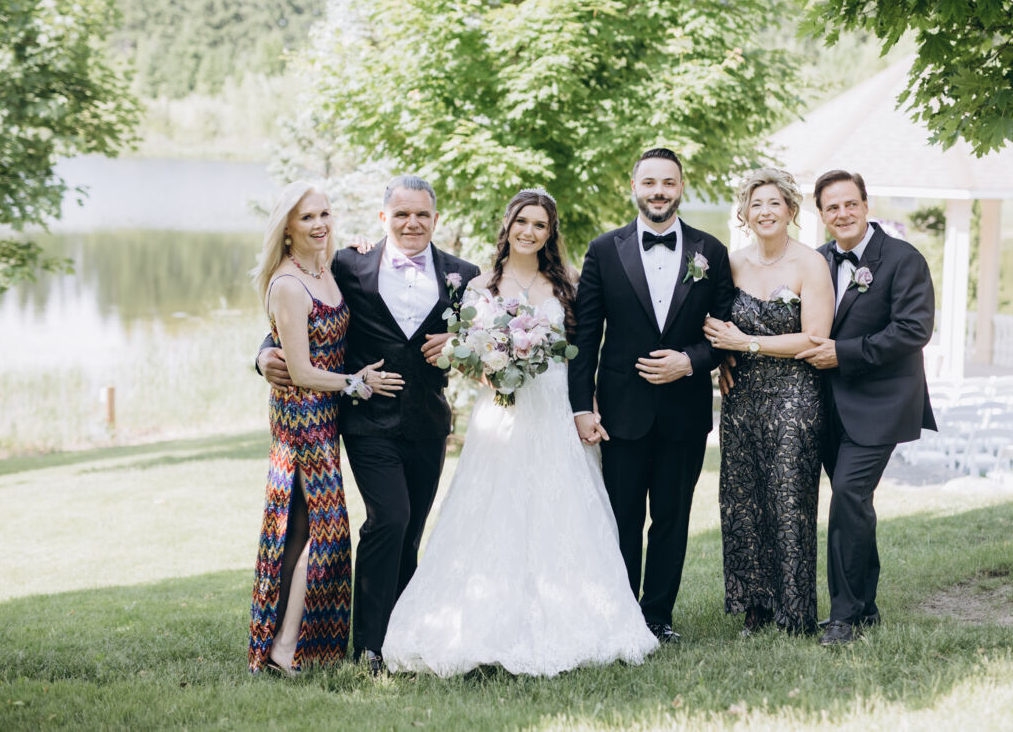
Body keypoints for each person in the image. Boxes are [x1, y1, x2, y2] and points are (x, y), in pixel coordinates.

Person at [381, 189, 658, 676]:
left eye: (540, 225)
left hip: (554, 409)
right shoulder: (480, 286)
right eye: (522, 222)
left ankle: (576, 616)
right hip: (502, 413)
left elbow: (582, 353)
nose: (529, 232)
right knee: (494, 510)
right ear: (507, 226)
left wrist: (585, 406)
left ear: (550, 234)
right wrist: (493, 363)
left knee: (562, 509)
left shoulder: (568, 285)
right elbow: (467, 359)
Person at [257, 175, 480, 675]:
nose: (412, 223)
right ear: (384, 218)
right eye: (401, 214)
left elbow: (482, 344)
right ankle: (369, 647)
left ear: (436, 219)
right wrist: (263, 355)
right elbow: (294, 316)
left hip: (428, 423)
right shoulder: (349, 264)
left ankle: (402, 638)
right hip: (367, 424)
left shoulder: (464, 276)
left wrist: (459, 346)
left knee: (410, 533)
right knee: (389, 520)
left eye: (421, 214)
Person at [570, 148, 734, 644]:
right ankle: (621, 616)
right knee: (621, 518)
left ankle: (658, 616)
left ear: (680, 187)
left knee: (672, 517)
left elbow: (726, 332)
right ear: (634, 187)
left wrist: (690, 360)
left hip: (685, 409)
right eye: (649, 182)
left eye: (668, 182)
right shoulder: (604, 249)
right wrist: (580, 406)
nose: (658, 191)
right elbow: (585, 336)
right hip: (621, 410)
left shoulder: (711, 251)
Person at [247, 182, 401, 675]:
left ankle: (287, 644)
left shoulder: (328, 268)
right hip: (300, 420)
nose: (319, 224)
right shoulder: (289, 285)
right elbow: (300, 371)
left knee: (303, 528)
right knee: (323, 530)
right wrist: (358, 383)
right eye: (307, 217)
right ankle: (284, 645)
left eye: (324, 214)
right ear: (286, 229)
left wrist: (360, 249)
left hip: (325, 419)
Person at [796, 169, 937, 646]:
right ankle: (866, 606)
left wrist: (845, 353)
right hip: (826, 406)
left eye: (850, 204)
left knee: (848, 497)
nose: (843, 214)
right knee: (855, 506)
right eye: (832, 207)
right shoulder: (816, 260)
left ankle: (845, 616)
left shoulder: (902, 259)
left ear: (866, 205)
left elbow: (913, 329)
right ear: (821, 214)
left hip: (881, 403)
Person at [703, 168, 833, 636]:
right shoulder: (732, 263)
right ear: (744, 212)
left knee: (789, 500)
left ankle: (795, 611)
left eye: (774, 203)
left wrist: (747, 343)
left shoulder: (810, 264)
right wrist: (721, 358)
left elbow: (815, 338)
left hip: (795, 396)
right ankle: (755, 606)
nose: (765, 212)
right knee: (743, 499)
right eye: (755, 204)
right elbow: (713, 325)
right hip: (741, 397)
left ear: (791, 210)